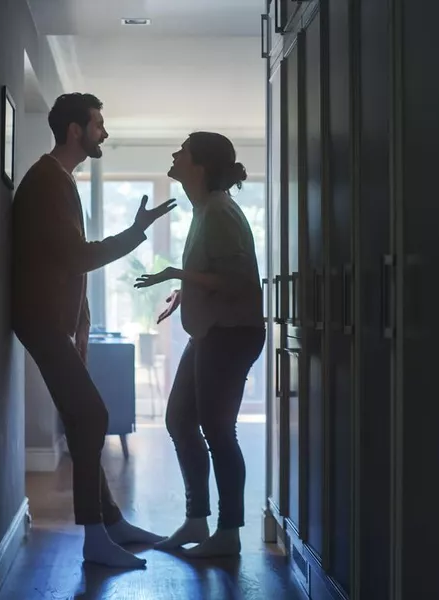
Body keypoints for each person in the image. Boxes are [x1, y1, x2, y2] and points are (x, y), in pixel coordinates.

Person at [11, 93, 175, 568]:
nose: (105, 132)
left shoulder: (60, 180)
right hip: (39, 321)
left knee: (85, 418)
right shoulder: (46, 181)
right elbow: (78, 257)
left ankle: (111, 524)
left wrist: (81, 324)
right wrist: (136, 230)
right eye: (99, 124)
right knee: (94, 416)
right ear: (75, 131)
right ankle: (96, 539)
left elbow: (67, 262)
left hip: (52, 323)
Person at [134, 132, 265, 558]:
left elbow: (239, 282)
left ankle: (228, 533)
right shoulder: (205, 209)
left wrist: (178, 275)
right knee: (179, 420)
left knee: (217, 431)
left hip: (231, 334)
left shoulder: (220, 212)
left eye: (183, 150)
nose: (174, 154)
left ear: (200, 165)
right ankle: (197, 520)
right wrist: (186, 292)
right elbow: (216, 275)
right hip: (213, 332)